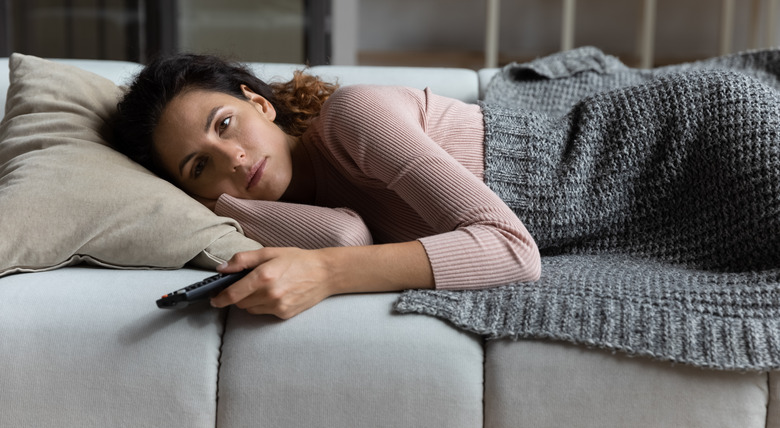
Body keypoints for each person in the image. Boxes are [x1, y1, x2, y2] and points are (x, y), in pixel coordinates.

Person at [114, 53, 542, 319]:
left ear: (260, 105)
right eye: (200, 166)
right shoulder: (287, 210)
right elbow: (348, 238)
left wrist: (323, 272)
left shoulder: (354, 116)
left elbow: (511, 250)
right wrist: (221, 206)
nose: (234, 159)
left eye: (225, 124)